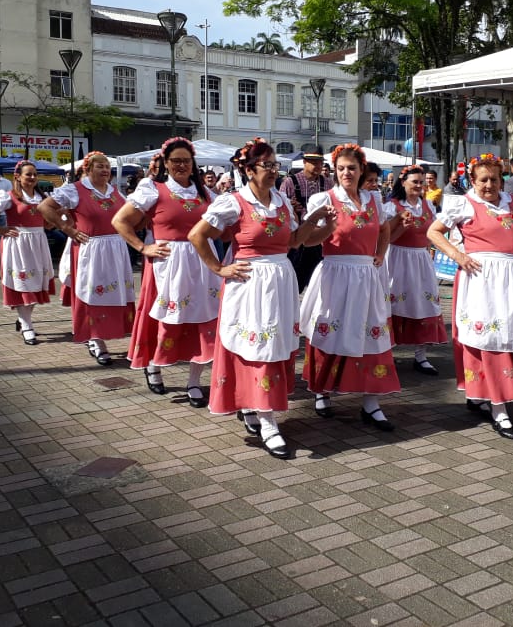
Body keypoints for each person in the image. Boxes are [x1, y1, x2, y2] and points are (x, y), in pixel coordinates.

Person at [189, 139, 334, 459]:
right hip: (249, 284)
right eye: (266, 165)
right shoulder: (233, 202)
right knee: (257, 349)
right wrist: (219, 268)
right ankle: (268, 421)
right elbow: (196, 236)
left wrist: (322, 221)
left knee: (274, 348)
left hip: (280, 281)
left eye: (275, 165)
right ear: (248, 169)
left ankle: (254, 408)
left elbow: (297, 241)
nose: (273, 171)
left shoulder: (282, 199)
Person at [427, 154, 513, 438]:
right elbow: (434, 231)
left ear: (502, 179)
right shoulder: (464, 203)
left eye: (495, 179)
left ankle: (481, 395)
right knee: (490, 339)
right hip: (483, 280)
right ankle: (499, 407)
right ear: (472, 182)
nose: (489, 185)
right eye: (483, 180)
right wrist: (457, 256)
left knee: (509, 337)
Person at [301, 143, 400, 429]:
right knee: (329, 331)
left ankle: (371, 403)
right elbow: (308, 240)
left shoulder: (373, 199)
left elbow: (384, 229)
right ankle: (321, 391)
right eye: (341, 168)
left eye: (352, 168)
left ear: (361, 170)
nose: (346, 172)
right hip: (335, 274)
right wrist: (326, 227)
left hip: (367, 275)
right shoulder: (324, 198)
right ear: (334, 171)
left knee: (372, 333)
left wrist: (380, 252)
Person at [113, 138, 218, 405]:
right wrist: (142, 247)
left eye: (186, 160)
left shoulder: (205, 193)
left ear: (193, 163)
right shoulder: (153, 188)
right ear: (166, 163)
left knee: (203, 322)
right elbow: (120, 220)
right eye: (175, 161)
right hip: (168, 264)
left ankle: (194, 381)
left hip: (202, 263)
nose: (181, 165)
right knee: (161, 319)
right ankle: (153, 366)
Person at [39, 151, 135, 365]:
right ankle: (95, 340)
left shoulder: (115, 191)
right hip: (91, 250)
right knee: (93, 295)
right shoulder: (75, 190)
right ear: (87, 169)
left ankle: (108, 335)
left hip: (116, 250)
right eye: (99, 166)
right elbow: (44, 207)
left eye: (107, 166)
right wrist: (67, 228)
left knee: (115, 295)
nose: (105, 170)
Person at [0, 161, 56, 346]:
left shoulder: (42, 197)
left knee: (36, 283)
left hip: (38, 241)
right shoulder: (9, 196)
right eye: (28, 174)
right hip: (18, 243)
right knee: (23, 284)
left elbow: (47, 223)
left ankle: (23, 320)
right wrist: (0, 229)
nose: (32, 178)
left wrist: (54, 221)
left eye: (34, 174)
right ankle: (26, 324)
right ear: (18, 177)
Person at [384, 165, 448, 376]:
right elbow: (386, 239)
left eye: (422, 182)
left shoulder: (428, 205)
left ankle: (421, 356)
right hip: (397, 258)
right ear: (403, 182)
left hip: (421, 259)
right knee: (393, 305)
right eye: (415, 182)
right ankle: (387, 353)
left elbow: (432, 233)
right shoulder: (392, 206)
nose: (420, 186)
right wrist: (401, 225)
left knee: (424, 304)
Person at [280, 145, 333, 290]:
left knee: (319, 283)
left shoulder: (327, 183)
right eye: (313, 162)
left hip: (319, 239)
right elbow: (280, 208)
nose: (318, 165)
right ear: (304, 162)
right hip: (299, 239)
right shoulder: (291, 182)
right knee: (295, 283)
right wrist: (290, 206)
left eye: (320, 162)